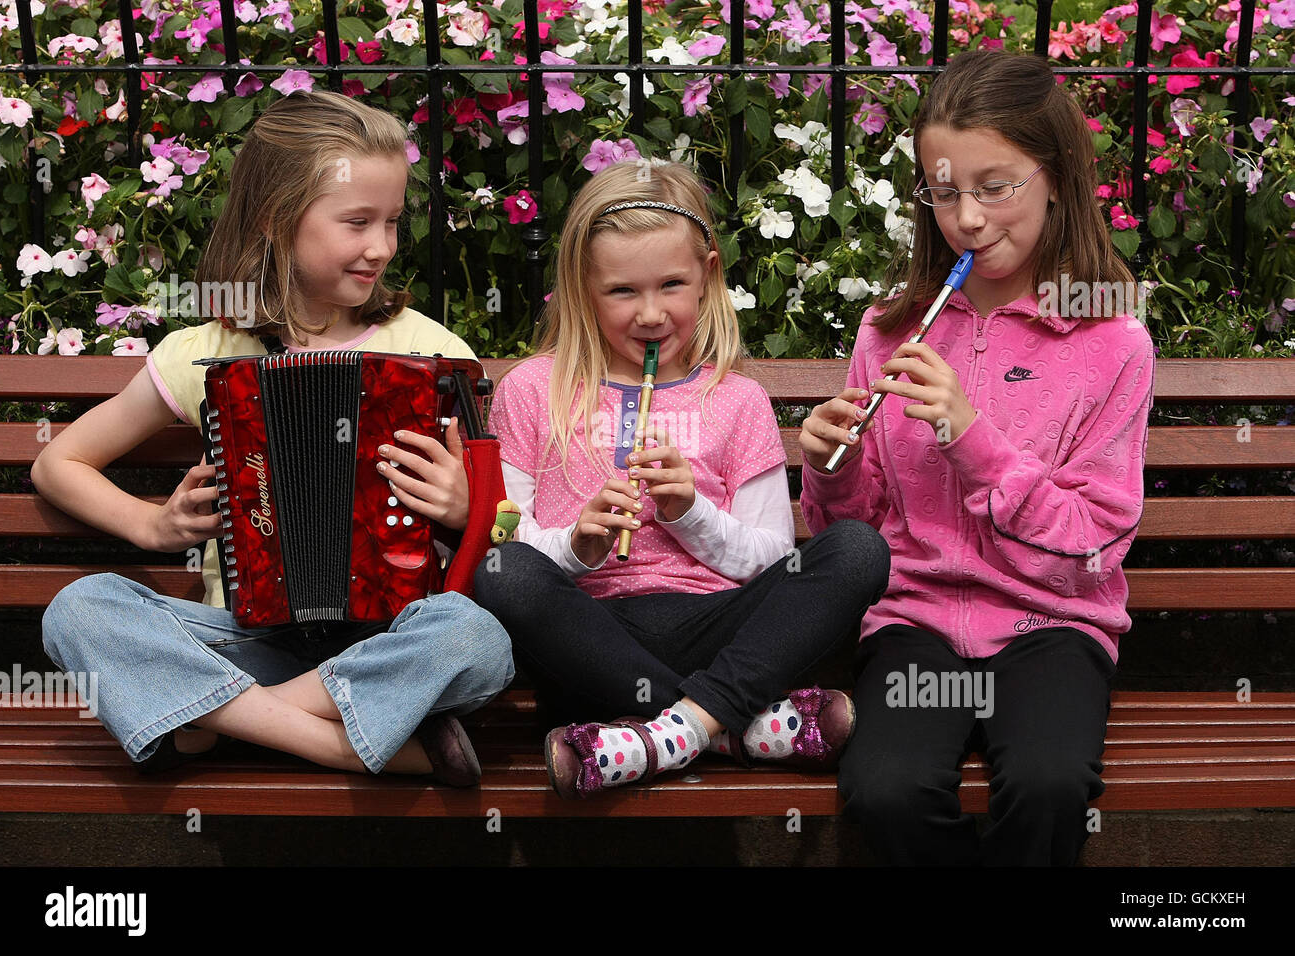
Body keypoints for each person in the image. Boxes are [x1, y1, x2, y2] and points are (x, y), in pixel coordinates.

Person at [34, 91, 513, 785]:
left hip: (384, 640)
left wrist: (465, 511)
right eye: (357, 221)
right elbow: (59, 463)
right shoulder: (203, 350)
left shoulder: (431, 354)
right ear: (275, 220)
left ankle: (213, 726)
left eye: (392, 223)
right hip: (241, 638)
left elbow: (503, 525)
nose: (381, 246)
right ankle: (334, 742)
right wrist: (154, 524)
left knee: (477, 640)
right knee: (78, 610)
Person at [799, 49, 1154, 864]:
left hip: (1050, 625)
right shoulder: (892, 327)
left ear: (1059, 175)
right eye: (945, 190)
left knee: (1049, 783)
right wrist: (832, 467)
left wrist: (972, 438)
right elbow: (853, 533)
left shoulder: (1109, 338)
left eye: (996, 188)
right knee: (885, 791)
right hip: (915, 622)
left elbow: (1094, 537)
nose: (966, 217)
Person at [472, 160, 889, 798]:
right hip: (592, 637)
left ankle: (654, 735)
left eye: (671, 284)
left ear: (708, 277)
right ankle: (728, 729)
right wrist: (577, 546)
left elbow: (774, 559)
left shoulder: (737, 399)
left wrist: (691, 512)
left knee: (858, 550)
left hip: (718, 630)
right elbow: (505, 535)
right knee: (504, 574)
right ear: (583, 289)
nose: (650, 314)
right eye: (621, 291)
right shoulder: (533, 389)